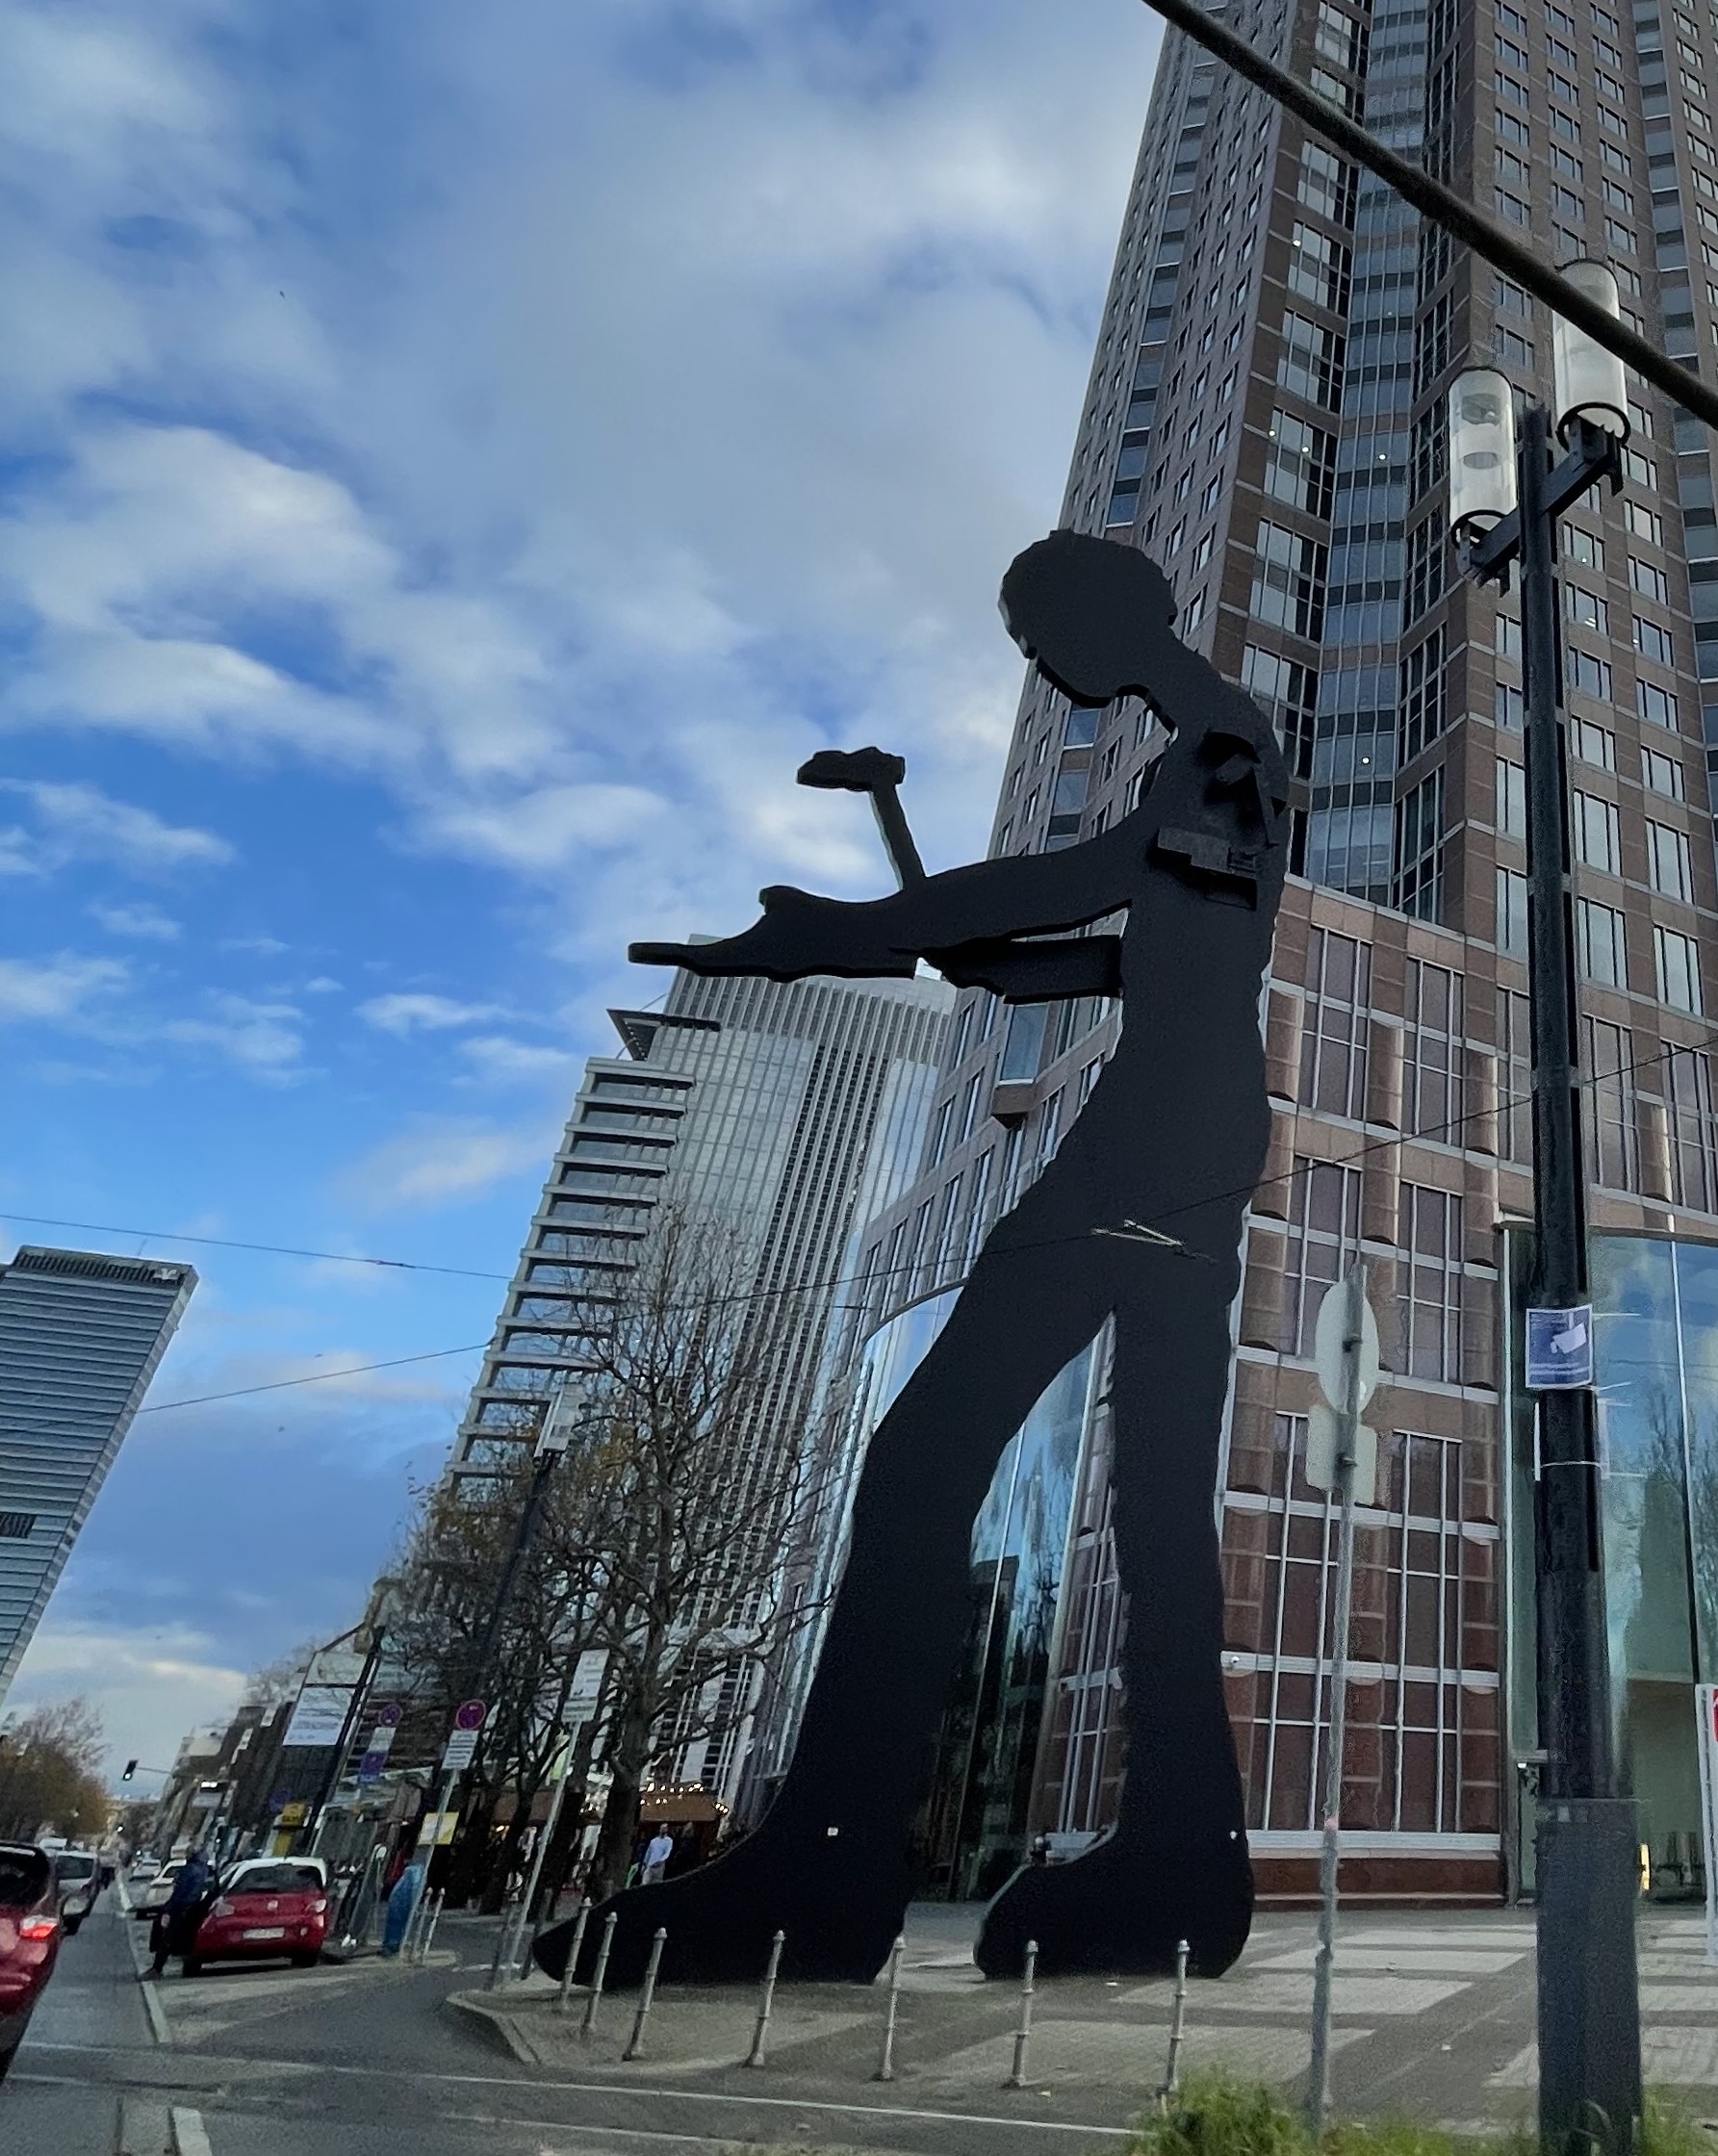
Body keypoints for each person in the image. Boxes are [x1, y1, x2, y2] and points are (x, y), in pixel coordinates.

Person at [536, 534, 1286, 1994]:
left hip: (1158, 1140)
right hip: (1185, 1128)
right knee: (1148, 1495)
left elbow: (1088, 882)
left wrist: (853, 926)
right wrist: (951, 943)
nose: (1039, 664)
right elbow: (1105, 949)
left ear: (1104, 618)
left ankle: (831, 1862)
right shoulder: (1206, 762)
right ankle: (1180, 1855)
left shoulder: (1222, 740)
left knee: (926, 1455)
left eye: (1038, 633)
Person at [151, 1853, 213, 1976]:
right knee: (189, 1940)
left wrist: (167, 1908)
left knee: (167, 1938)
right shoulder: (208, 1871)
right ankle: (189, 1968)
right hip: (199, 1908)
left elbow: (180, 1892)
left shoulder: (188, 1870)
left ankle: (157, 1968)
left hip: (182, 1909)